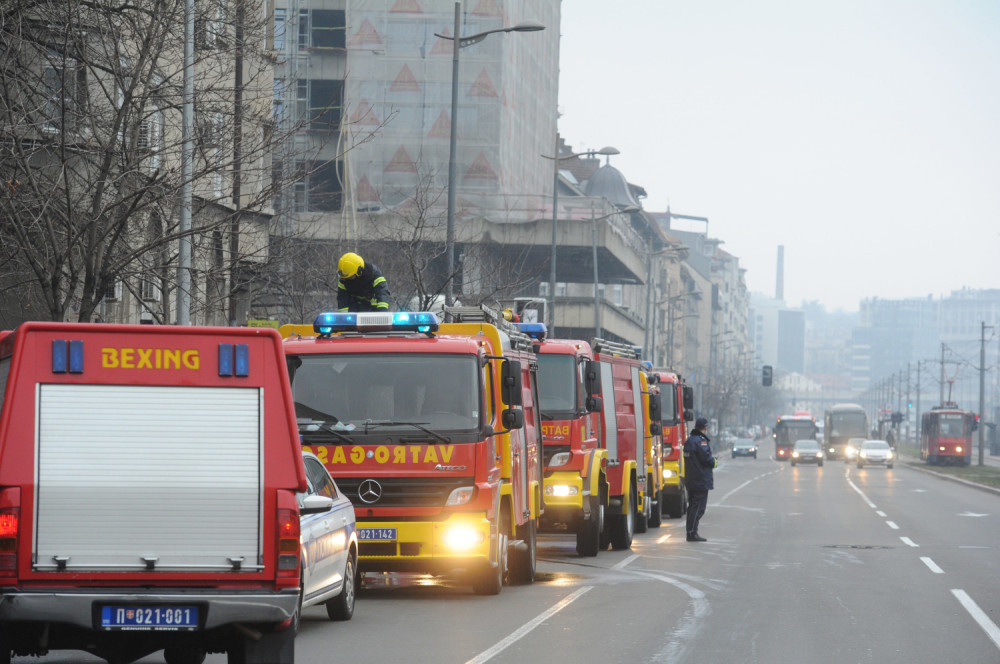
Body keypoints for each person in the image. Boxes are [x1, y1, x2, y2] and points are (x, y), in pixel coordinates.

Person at [683, 417, 716, 542]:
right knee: (698, 508)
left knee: (692, 506)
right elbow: (706, 459)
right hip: (700, 480)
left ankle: (690, 532)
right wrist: (715, 462)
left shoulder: (689, 441)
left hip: (691, 479)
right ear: (705, 428)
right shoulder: (701, 442)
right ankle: (692, 533)